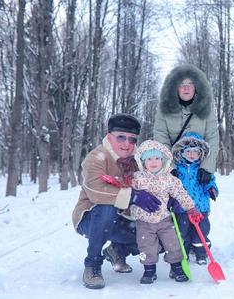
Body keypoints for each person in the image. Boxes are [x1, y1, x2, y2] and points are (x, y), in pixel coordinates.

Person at [72, 113, 162, 289]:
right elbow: (96, 191)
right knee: (107, 208)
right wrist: (133, 196)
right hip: (91, 217)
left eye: (132, 139)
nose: (127, 144)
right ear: (109, 136)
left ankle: (117, 251)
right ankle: (92, 265)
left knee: (157, 230)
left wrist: (169, 192)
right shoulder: (96, 157)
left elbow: (156, 177)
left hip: (123, 219)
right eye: (121, 137)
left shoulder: (139, 160)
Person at [130, 139, 202, 284]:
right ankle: (149, 270)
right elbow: (126, 191)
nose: (153, 162)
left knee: (174, 244)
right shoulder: (137, 178)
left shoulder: (170, 179)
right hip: (143, 222)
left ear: (164, 160)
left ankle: (176, 268)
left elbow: (181, 194)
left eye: (157, 158)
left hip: (164, 219)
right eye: (149, 159)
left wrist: (191, 208)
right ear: (143, 162)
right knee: (146, 247)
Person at [153, 64, 219, 185]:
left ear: (196, 88)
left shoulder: (207, 110)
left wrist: (207, 167)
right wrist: (170, 167)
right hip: (173, 172)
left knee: (197, 202)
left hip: (198, 171)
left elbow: (212, 139)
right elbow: (161, 139)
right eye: (182, 85)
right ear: (175, 88)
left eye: (190, 84)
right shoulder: (163, 111)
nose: (186, 88)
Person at [172, 132, 219, 265]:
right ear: (182, 152)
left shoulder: (203, 169)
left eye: (195, 152)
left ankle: (201, 253)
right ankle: (183, 254)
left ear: (201, 154)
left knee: (201, 232)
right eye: (188, 151)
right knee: (182, 232)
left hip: (200, 207)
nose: (192, 155)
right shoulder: (177, 169)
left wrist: (211, 189)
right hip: (182, 208)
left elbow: (211, 181)